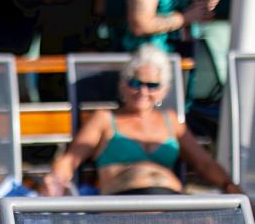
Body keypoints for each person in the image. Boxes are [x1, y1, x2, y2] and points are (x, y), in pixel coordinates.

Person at [42, 46, 238, 196]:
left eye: (152, 85)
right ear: (123, 85)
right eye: (135, 83)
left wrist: (229, 186)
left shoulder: (171, 121)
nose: (143, 91)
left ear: (164, 90)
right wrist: (55, 181)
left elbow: (204, 164)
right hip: (124, 202)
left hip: (171, 200)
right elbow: (71, 159)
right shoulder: (104, 119)